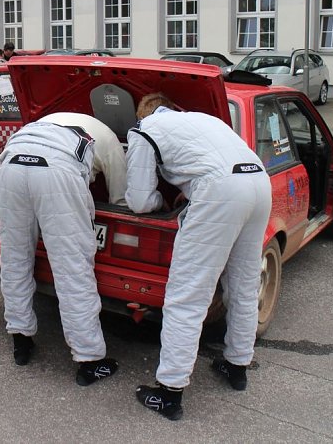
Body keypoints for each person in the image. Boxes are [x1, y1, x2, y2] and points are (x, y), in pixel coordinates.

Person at [125, 93, 271, 420]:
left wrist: (161, 204)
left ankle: (169, 394)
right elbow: (209, 162)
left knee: (186, 294)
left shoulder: (144, 129)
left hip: (219, 191)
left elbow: (137, 199)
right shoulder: (205, 120)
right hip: (258, 182)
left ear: (141, 113)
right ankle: (237, 366)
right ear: (174, 106)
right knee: (244, 284)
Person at [0, 116, 120, 385]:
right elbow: (121, 198)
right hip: (57, 170)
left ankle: (21, 341)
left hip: (11, 163)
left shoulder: (49, 119)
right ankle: (89, 361)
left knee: (15, 256)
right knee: (72, 269)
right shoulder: (110, 139)